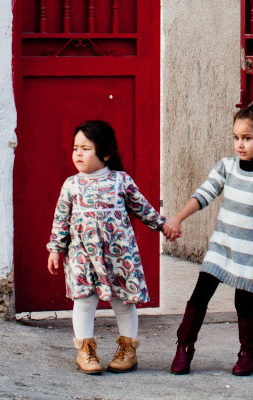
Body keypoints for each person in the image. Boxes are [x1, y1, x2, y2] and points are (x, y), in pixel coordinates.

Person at [161, 96, 253, 376]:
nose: (240, 144)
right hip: (220, 248)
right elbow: (204, 194)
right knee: (199, 296)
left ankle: (247, 353)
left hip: (249, 255)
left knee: (243, 303)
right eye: (236, 138)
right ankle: (184, 347)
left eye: (247, 138)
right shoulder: (227, 167)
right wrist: (178, 217)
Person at [46, 119, 171, 375]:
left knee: (123, 301)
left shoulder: (120, 180)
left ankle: (128, 350)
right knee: (83, 300)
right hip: (82, 254)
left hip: (119, 255)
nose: (78, 153)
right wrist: (55, 249)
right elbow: (61, 219)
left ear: (105, 153)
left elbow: (143, 208)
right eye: (75, 148)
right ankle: (85, 351)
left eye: (86, 148)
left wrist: (164, 225)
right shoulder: (72, 184)